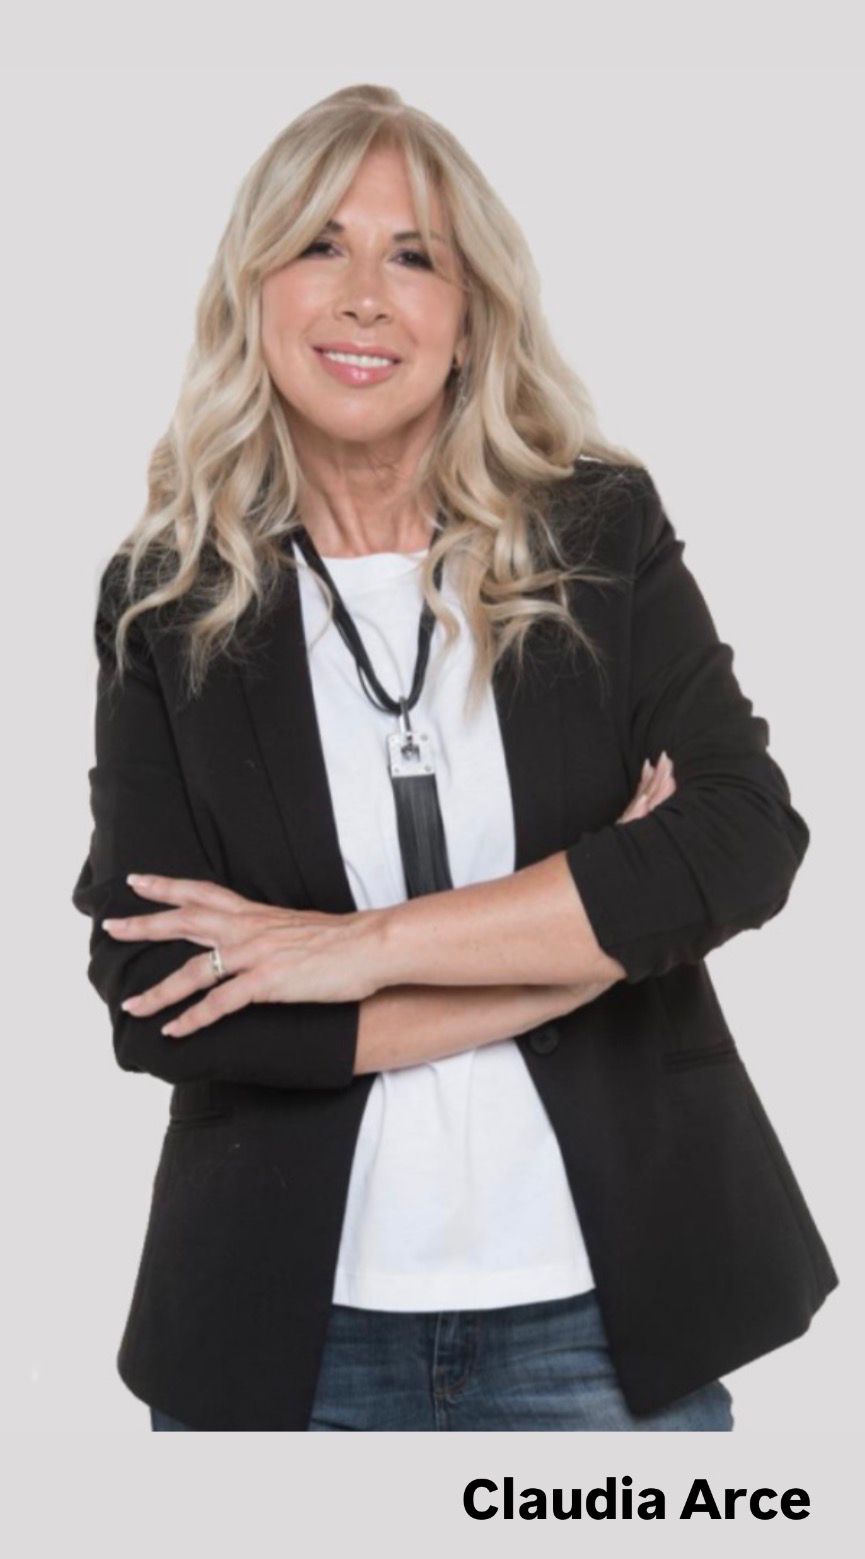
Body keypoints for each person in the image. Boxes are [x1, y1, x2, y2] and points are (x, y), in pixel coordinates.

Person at [71, 84, 838, 1432]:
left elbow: (737, 839)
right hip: (283, 1336)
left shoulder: (595, 533)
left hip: (605, 1324)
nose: (366, 296)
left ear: (471, 313)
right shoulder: (170, 600)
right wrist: (588, 948)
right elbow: (158, 992)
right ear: (254, 292)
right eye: (320, 244)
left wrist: (352, 950)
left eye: (415, 256)